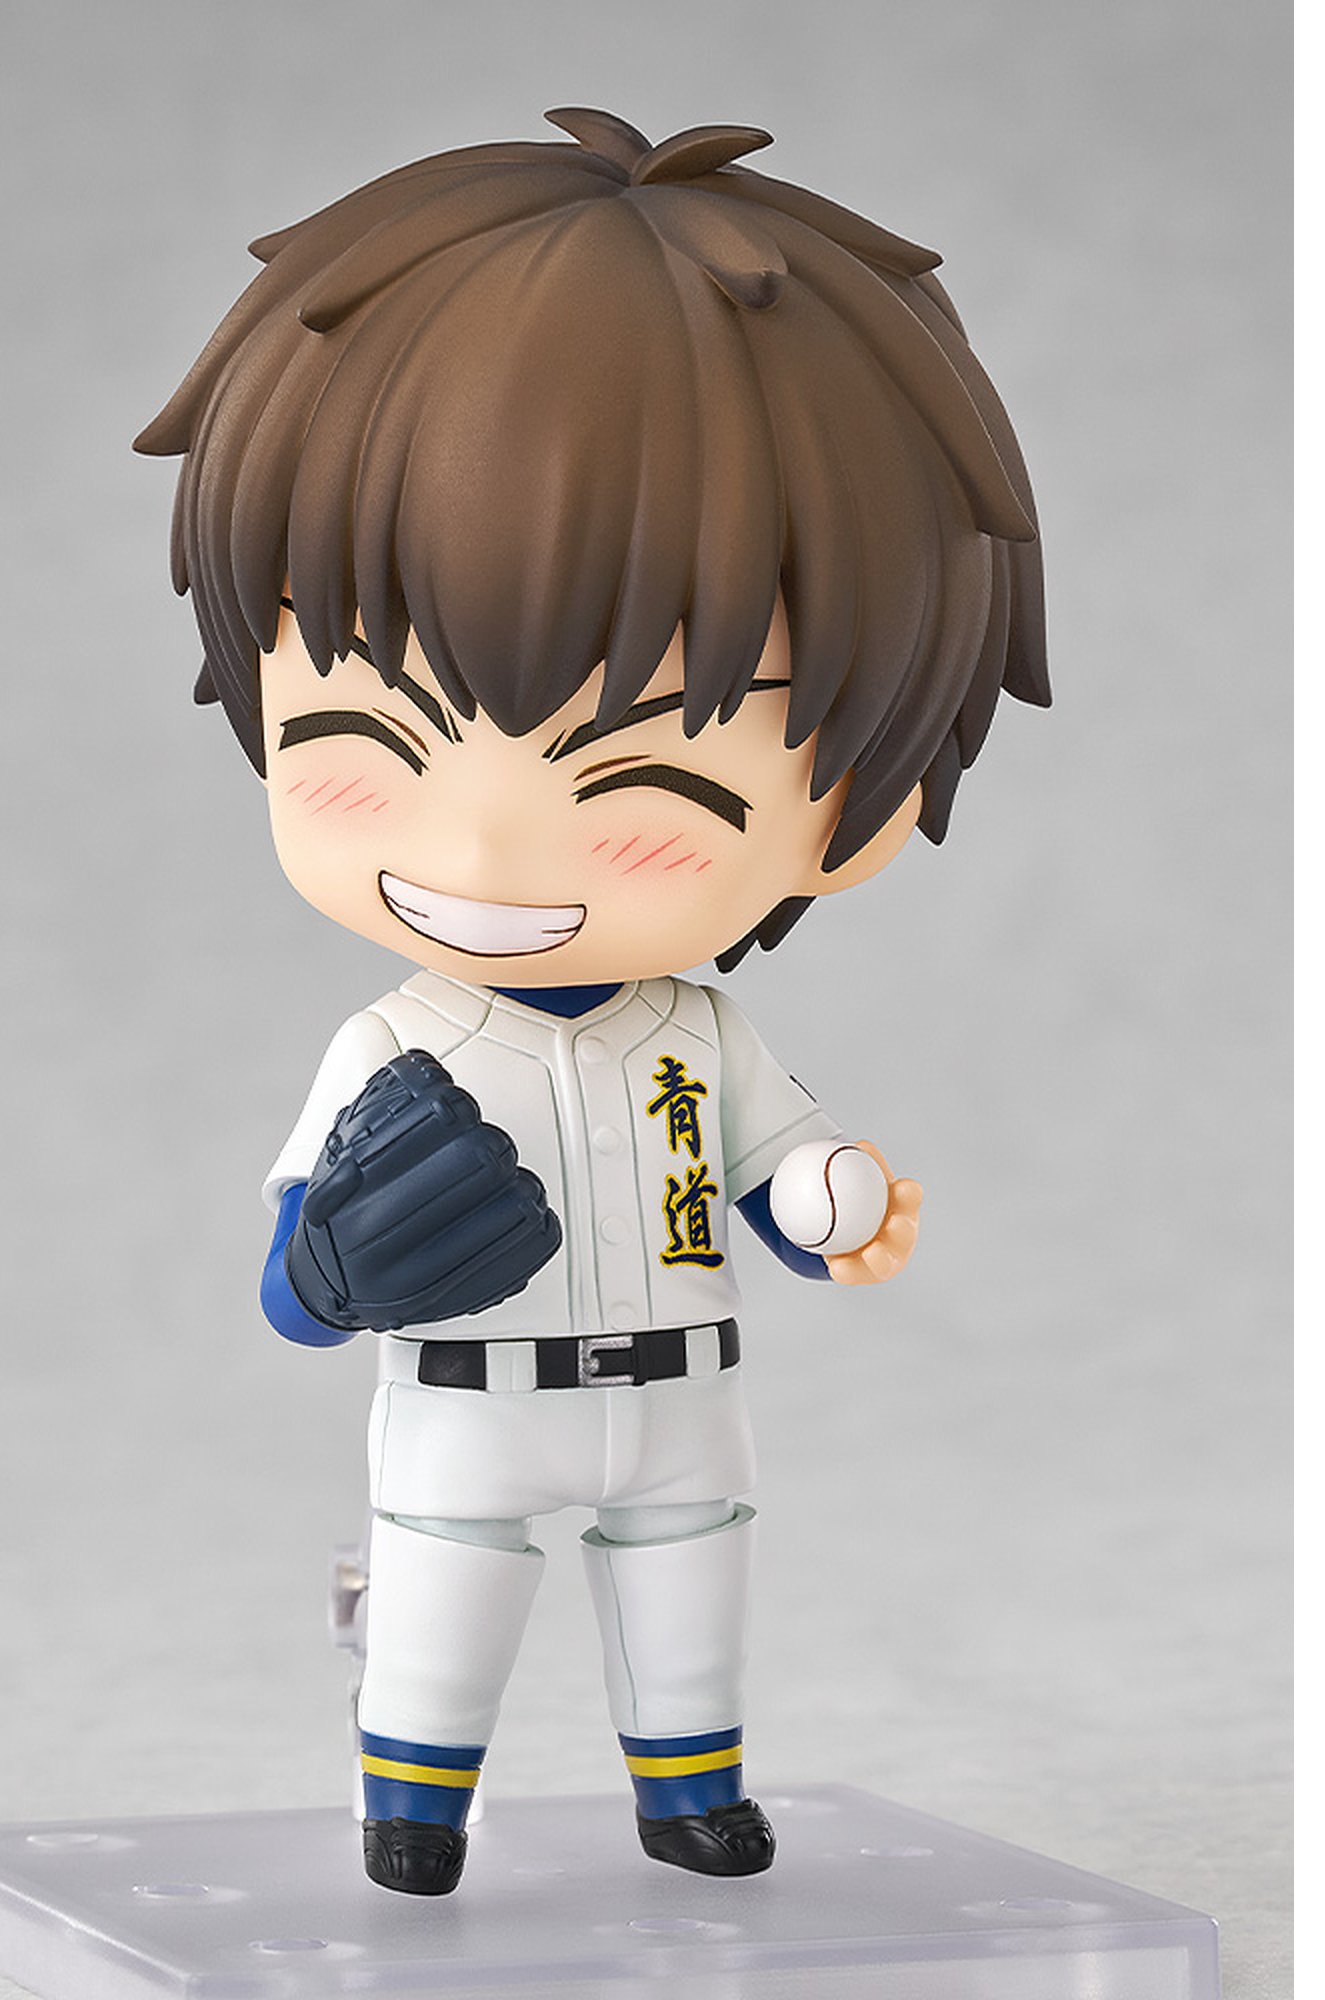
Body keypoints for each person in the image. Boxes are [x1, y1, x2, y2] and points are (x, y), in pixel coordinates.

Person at [136, 106, 1047, 1897]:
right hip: (466, 1393)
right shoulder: (396, 1045)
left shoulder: (702, 1037)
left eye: (638, 777)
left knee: (692, 1596)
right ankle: (412, 1813)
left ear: (858, 810)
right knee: (442, 1607)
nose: (480, 847)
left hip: (683, 1389)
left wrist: (833, 1203)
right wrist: (325, 1274)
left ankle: (688, 1799)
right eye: (371, 739)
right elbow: (295, 1280)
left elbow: (781, 1177)